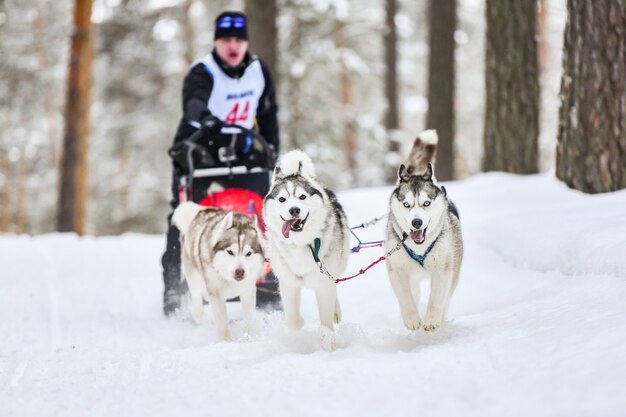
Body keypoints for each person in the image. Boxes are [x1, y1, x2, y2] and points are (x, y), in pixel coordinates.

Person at [161, 11, 280, 316]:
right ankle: (177, 285)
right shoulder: (203, 71)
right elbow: (193, 102)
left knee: (262, 211)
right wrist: (206, 118)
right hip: (198, 150)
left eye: (239, 40)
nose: (233, 45)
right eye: (226, 40)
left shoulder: (257, 70)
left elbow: (267, 113)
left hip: (240, 149)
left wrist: (271, 148)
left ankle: (266, 282)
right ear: (217, 42)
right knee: (185, 215)